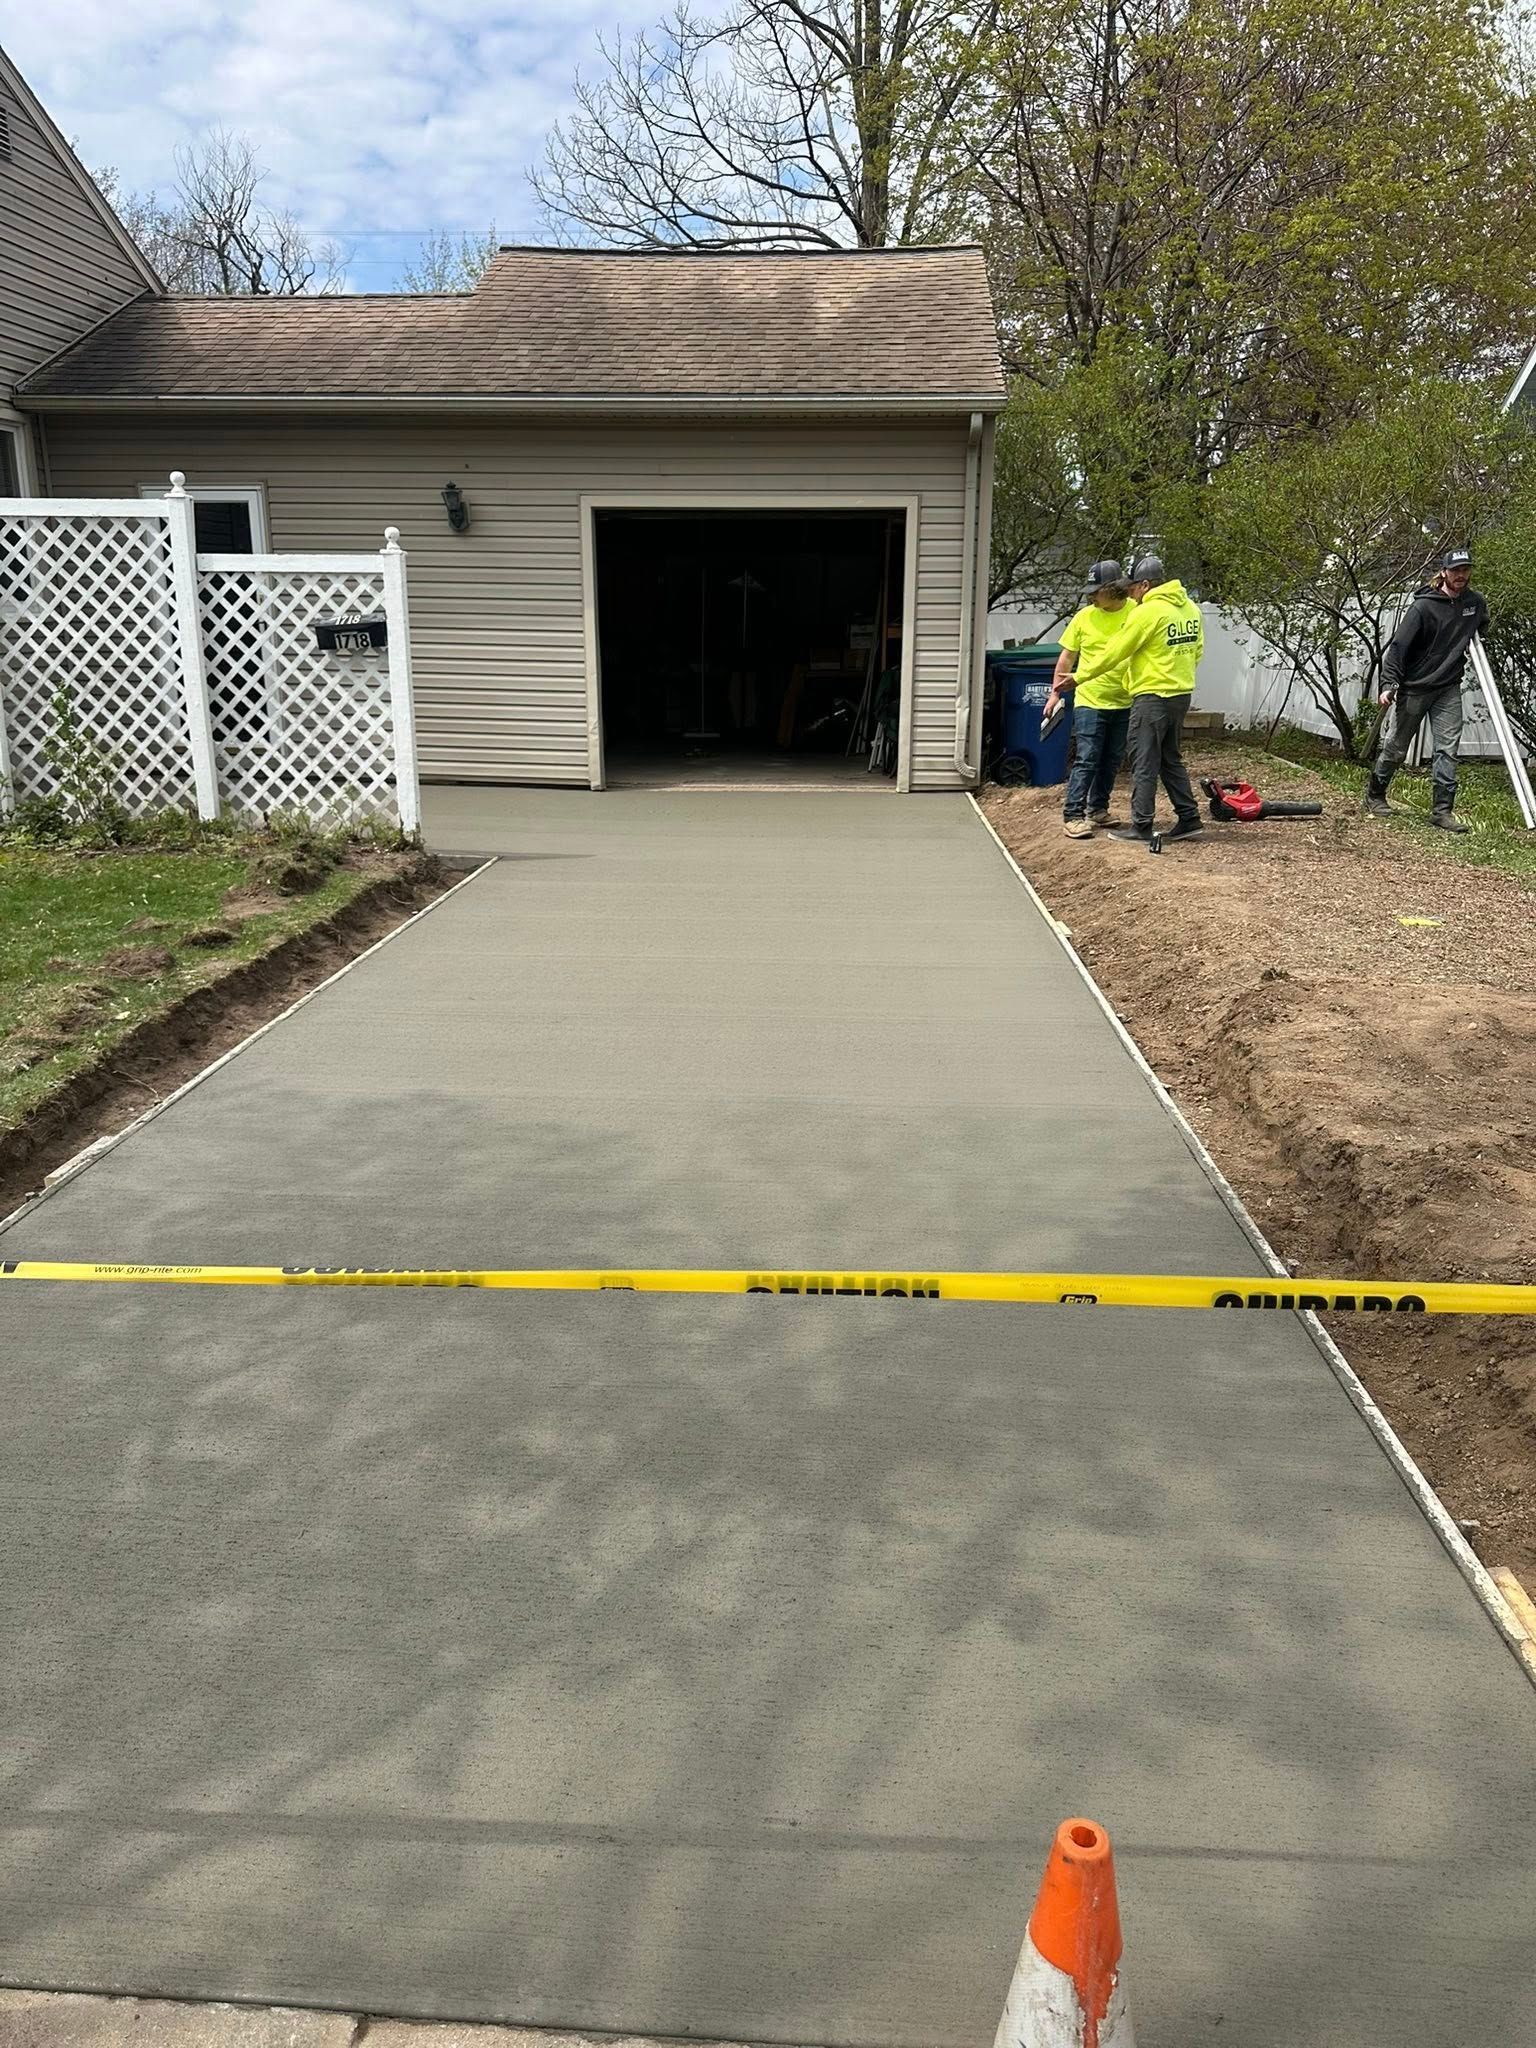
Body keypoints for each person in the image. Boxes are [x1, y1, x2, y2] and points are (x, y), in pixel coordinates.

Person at [1070, 552, 1205, 843]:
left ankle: (1141, 825)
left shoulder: (1147, 612)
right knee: (1170, 758)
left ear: (1145, 585)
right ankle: (1189, 818)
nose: (1130, 592)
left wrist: (1079, 676)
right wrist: (1178, 675)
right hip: (1181, 695)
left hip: (1152, 696)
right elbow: (1197, 650)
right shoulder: (1191, 609)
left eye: (1132, 587)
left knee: (1144, 761)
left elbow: (1118, 650)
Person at [1366, 546, 1487, 834]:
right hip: (1416, 688)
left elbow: (1482, 626)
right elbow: (1399, 647)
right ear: (1444, 572)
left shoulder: (1475, 602)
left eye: (1465, 570)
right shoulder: (1423, 606)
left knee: (1447, 749)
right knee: (1396, 746)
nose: (1461, 575)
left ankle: (1442, 811)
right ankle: (1375, 794)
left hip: (1448, 686)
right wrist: (1388, 683)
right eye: (1455, 570)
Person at [1043, 559, 1136, 838]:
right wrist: (1055, 692)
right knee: (1088, 757)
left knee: (1112, 758)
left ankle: (1098, 809)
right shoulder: (1084, 618)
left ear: (1114, 588)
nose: (1091, 595)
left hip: (1125, 700)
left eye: (1096, 590)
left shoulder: (1136, 613)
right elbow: (1067, 657)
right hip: (1090, 700)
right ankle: (1073, 815)